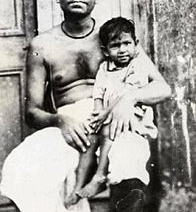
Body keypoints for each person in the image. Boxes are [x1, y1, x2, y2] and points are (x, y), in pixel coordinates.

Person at [0, 0, 171, 212]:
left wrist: (128, 99)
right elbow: (32, 112)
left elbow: (162, 88)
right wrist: (61, 121)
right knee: (23, 167)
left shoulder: (116, 38)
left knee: (128, 160)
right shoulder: (42, 45)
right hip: (73, 126)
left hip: (118, 120)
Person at [64, 17, 160, 209]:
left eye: (127, 44)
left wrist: (105, 114)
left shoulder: (137, 67)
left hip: (132, 118)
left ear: (136, 45)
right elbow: (99, 93)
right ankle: (79, 185)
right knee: (89, 136)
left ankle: (99, 176)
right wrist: (97, 113)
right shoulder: (104, 69)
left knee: (108, 128)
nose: (122, 50)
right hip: (108, 116)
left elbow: (125, 98)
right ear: (106, 50)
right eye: (116, 46)